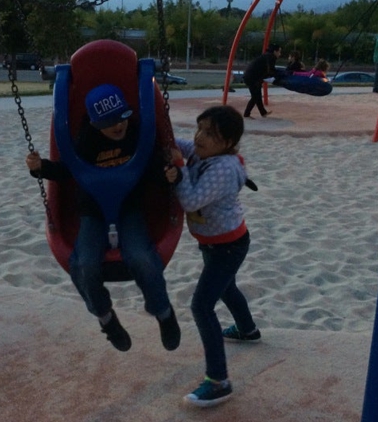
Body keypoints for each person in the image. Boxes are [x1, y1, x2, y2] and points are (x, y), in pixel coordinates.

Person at [25, 83, 181, 353]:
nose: (117, 126)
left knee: (142, 258)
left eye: (121, 117)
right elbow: (67, 172)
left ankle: (163, 312)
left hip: (130, 208)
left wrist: (169, 175)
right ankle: (106, 318)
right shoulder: (86, 142)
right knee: (84, 264)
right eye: (109, 122)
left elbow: (152, 166)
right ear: (96, 124)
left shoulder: (135, 136)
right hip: (93, 212)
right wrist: (41, 169)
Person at [164, 105, 260, 408]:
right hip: (215, 243)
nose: (200, 137)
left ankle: (219, 381)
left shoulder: (223, 168)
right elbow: (176, 144)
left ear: (228, 143)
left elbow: (191, 200)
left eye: (211, 134)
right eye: (200, 129)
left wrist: (178, 172)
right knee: (226, 288)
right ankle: (248, 330)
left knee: (202, 305)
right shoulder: (201, 152)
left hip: (229, 246)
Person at [243, 43, 282, 119]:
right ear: (275, 51)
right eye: (279, 51)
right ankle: (246, 114)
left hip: (252, 77)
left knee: (257, 96)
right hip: (252, 78)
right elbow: (271, 70)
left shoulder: (267, 55)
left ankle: (263, 112)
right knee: (255, 97)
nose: (280, 54)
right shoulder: (271, 57)